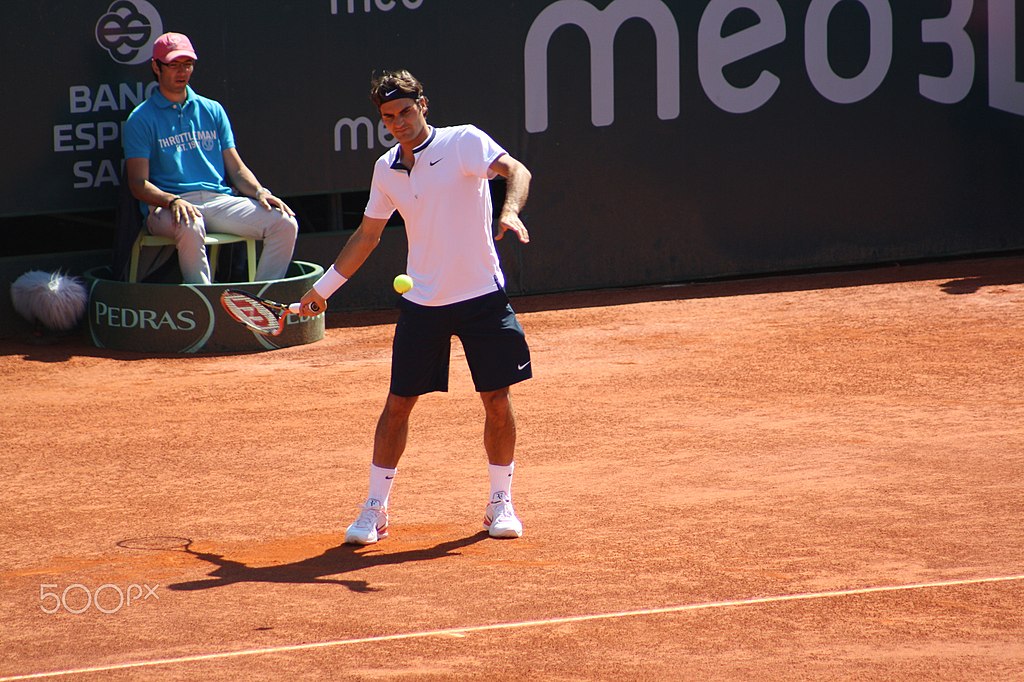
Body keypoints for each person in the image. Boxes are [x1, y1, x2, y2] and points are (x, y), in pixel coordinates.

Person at [299, 69, 534, 544]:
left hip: (482, 297)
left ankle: (500, 502)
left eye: (406, 111)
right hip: (424, 303)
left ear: (422, 105)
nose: (399, 123)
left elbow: (518, 171)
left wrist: (509, 210)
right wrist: (322, 290)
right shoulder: (386, 169)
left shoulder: (464, 142)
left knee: (496, 399)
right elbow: (367, 236)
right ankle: (375, 508)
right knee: (398, 405)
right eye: (389, 117)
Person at [123, 32, 298, 284]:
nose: (182, 71)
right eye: (173, 64)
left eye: (187, 64)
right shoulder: (140, 119)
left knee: (284, 223)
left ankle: (260, 307)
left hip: (218, 201)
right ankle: (206, 308)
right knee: (191, 224)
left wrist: (259, 191)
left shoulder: (212, 109)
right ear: (156, 67)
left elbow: (236, 169)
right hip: (168, 208)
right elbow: (138, 184)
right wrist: (173, 201)